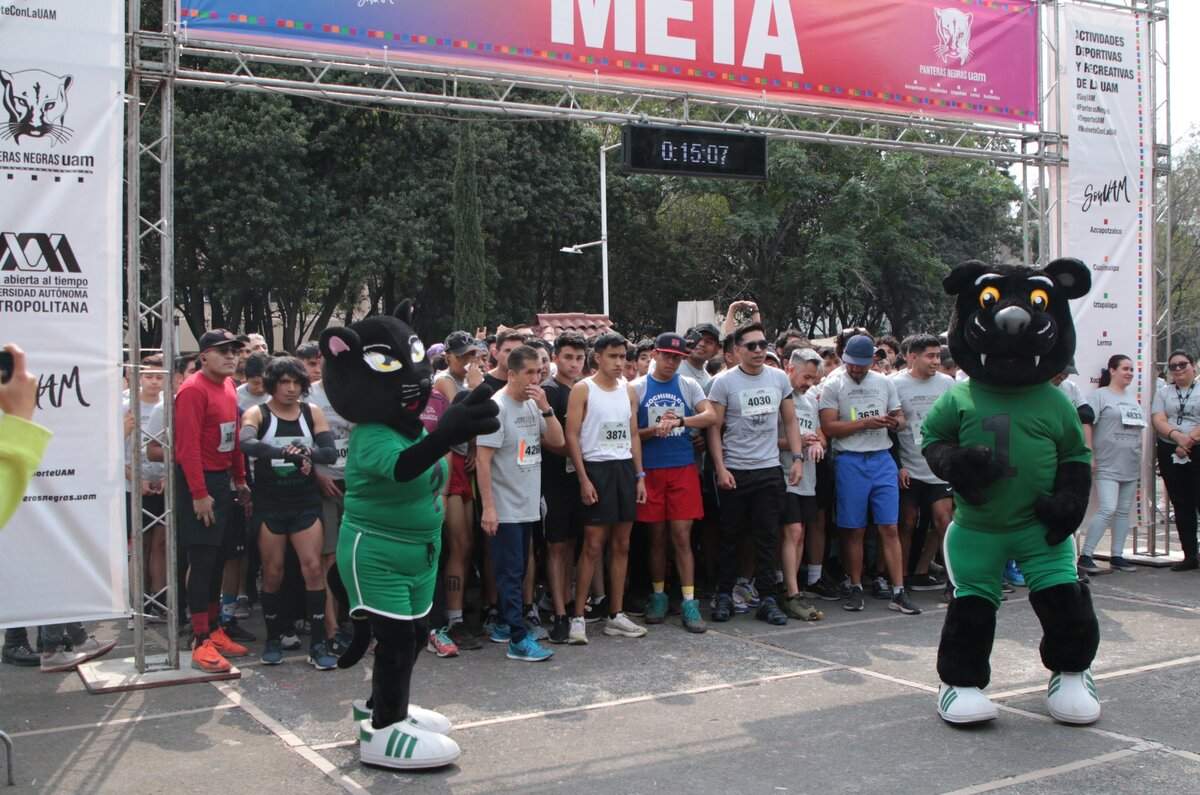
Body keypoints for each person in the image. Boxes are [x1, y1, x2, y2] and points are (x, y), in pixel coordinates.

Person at [239, 357, 339, 669]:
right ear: (272, 385)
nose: (291, 388)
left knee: (312, 568)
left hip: (305, 503)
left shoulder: (312, 413)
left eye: (296, 383)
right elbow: (246, 443)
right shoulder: (258, 413)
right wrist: (283, 453)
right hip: (270, 505)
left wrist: (306, 453)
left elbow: (330, 452)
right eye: (284, 382)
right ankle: (273, 637)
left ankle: (319, 643)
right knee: (273, 572)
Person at [707, 322, 807, 626]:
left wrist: (798, 457)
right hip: (735, 470)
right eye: (751, 346)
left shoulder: (778, 378)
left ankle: (767, 599)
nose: (759, 351)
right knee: (730, 537)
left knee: (767, 537)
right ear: (736, 350)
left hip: (769, 470)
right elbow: (714, 428)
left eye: (763, 344)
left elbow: (790, 422)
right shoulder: (723, 383)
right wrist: (720, 468)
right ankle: (723, 594)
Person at [819, 334, 920, 615]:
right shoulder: (833, 384)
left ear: (873, 361)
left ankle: (898, 590)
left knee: (889, 526)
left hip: (882, 458)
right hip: (850, 460)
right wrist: (864, 423)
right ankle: (855, 586)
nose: (856, 370)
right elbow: (828, 427)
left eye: (862, 365)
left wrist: (893, 422)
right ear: (844, 359)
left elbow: (900, 417)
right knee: (854, 529)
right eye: (852, 364)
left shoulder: (884, 382)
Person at [476, 346, 564, 662]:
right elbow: (483, 462)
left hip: (528, 503)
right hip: (505, 506)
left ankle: (504, 624)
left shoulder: (532, 404)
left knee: (521, 569)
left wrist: (546, 408)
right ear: (511, 373)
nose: (535, 378)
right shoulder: (496, 408)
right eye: (528, 372)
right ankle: (516, 638)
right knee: (511, 572)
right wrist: (489, 508)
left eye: (538, 372)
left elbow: (558, 441)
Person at [174, 329, 253, 673]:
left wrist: (240, 479)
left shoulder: (228, 387)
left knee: (220, 558)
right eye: (223, 351)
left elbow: (233, 437)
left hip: (222, 480)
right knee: (203, 560)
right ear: (204, 356)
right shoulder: (191, 390)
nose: (231, 356)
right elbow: (186, 448)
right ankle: (199, 638)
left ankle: (214, 629)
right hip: (200, 481)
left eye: (235, 350)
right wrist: (198, 493)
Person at [565, 332, 648, 644]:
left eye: (622, 356)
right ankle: (578, 617)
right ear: (597, 357)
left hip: (624, 469)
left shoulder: (628, 391)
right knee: (592, 545)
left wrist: (639, 476)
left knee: (622, 544)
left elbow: (634, 435)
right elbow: (571, 435)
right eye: (612, 356)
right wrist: (584, 478)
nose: (619, 362)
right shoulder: (582, 389)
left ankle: (616, 614)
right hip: (596, 468)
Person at [634, 332, 718, 632]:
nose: (671, 362)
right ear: (655, 354)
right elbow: (632, 433)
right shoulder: (638, 387)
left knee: (682, 536)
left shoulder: (688, 384)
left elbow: (710, 416)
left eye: (677, 358)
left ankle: (689, 600)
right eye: (667, 356)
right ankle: (658, 594)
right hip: (652, 470)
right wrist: (653, 430)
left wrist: (681, 421)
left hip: (682, 468)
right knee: (656, 537)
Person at [432, 331, 485, 650]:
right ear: (449, 356)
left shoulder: (467, 379)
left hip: (465, 462)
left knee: (466, 544)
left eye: (473, 354)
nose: (468, 360)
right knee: (456, 543)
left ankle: (458, 614)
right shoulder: (444, 380)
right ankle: (451, 618)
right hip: (447, 465)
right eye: (463, 355)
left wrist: (477, 446)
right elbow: (461, 413)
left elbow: (479, 423)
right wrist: (478, 386)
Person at [893, 334, 955, 591]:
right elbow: (890, 430)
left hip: (939, 467)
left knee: (944, 522)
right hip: (909, 465)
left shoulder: (948, 384)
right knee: (907, 522)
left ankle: (954, 581)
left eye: (938, 356)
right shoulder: (894, 384)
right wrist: (898, 465)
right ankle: (903, 578)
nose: (935, 361)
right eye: (930, 356)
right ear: (912, 356)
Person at [540, 333, 588, 643]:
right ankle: (558, 613)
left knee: (574, 545)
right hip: (553, 479)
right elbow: (550, 440)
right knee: (556, 546)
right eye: (568, 357)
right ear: (556, 357)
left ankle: (572, 604)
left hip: (583, 479)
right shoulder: (548, 392)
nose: (573, 363)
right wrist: (580, 450)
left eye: (579, 358)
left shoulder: (588, 390)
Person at [1079, 355, 1144, 575]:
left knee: (1123, 511)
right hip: (1107, 462)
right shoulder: (1099, 396)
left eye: (1132, 369)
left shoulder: (1132, 398)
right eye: (1125, 369)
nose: (1129, 373)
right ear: (1112, 370)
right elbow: (1086, 421)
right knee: (1108, 508)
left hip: (1130, 463)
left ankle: (1117, 555)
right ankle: (1086, 554)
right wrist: (1089, 453)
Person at [778, 348, 826, 621]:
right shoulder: (780, 396)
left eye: (813, 378)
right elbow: (769, 440)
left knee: (800, 533)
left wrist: (816, 442)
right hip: (784, 472)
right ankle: (791, 592)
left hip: (808, 477)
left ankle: (791, 587)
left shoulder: (810, 401)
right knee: (792, 531)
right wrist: (795, 444)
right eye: (805, 376)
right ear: (790, 368)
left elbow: (819, 435)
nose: (808, 383)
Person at [124, 353, 167, 622]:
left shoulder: (168, 406)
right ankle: (137, 603)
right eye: (148, 376)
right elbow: (113, 449)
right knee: (140, 545)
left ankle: (159, 598)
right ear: (138, 378)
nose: (153, 381)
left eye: (158, 376)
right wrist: (134, 479)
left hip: (162, 484)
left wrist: (165, 478)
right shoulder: (125, 406)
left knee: (161, 544)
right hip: (132, 484)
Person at [1150, 350, 1200, 571]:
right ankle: (1190, 555)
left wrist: (1188, 441)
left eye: (1183, 364)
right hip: (1170, 449)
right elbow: (1158, 418)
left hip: (1196, 448)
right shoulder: (1163, 392)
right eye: (1173, 366)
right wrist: (1176, 437)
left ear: (1193, 366)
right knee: (1181, 503)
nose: (1178, 369)